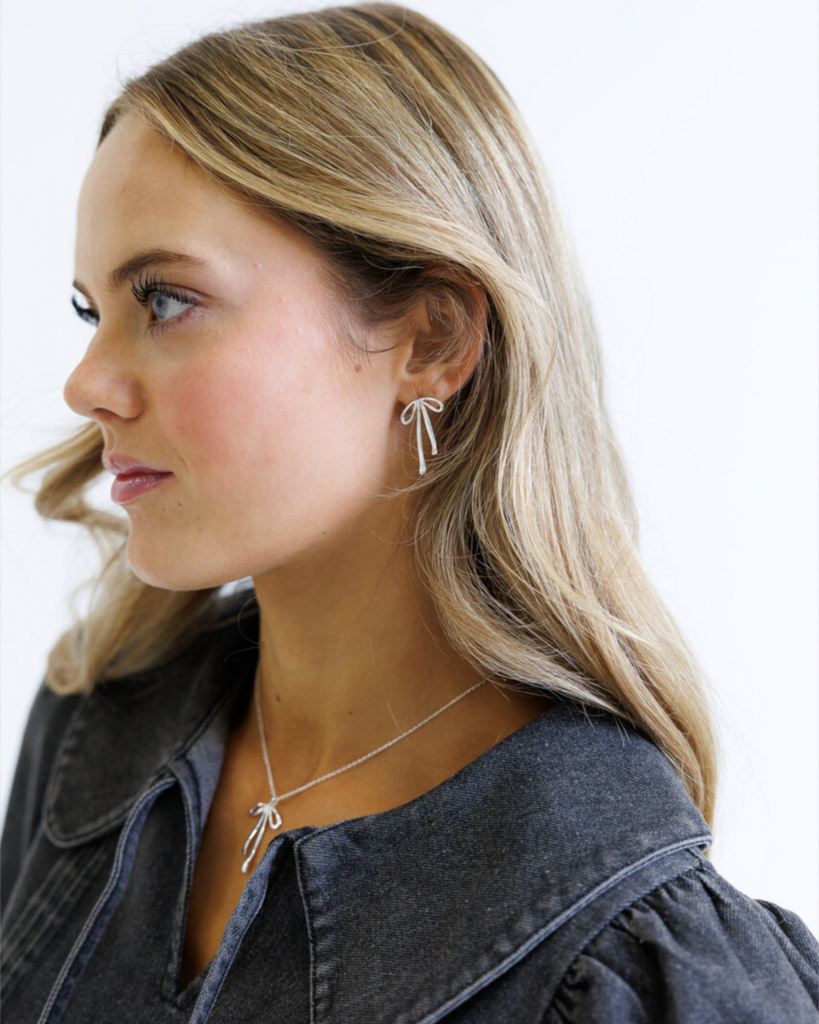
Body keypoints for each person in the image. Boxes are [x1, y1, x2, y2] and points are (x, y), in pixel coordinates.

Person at [0, 4, 816, 1022]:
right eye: (92, 311)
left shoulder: (631, 957)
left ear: (432, 340)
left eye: (163, 300)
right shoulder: (98, 729)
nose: (88, 384)